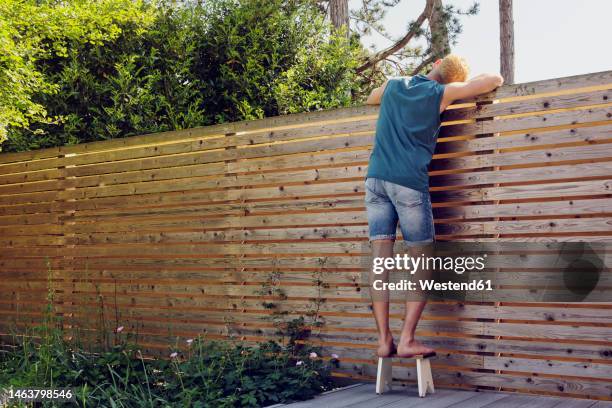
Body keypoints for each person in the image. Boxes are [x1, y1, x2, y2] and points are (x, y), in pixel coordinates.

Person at [364, 54, 504, 358]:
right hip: (408, 184)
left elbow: (371, 97)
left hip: (375, 180)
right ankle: (406, 340)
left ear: (437, 62)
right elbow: (493, 81)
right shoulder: (441, 94)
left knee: (380, 263)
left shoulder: (393, 84)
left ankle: (382, 340)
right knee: (421, 262)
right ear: (453, 82)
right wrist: (460, 86)